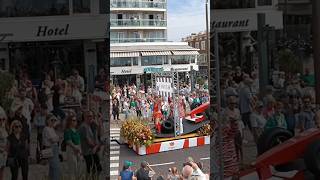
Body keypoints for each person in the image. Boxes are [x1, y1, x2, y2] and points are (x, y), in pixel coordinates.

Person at [79, 110, 102, 178]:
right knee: (90, 169)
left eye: (92, 116)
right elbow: (88, 141)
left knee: (97, 168)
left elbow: (98, 136)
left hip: (92, 151)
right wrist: (96, 146)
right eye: (89, 116)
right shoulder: (83, 127)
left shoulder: (90, 126)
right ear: (85, 117)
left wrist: (97, 126)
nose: (91, 118)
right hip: (87, 152)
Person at [42, 114, 61, 180]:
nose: (53, 121)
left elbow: (56, 139)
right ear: (47, 121)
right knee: (55, 167)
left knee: (53, 168)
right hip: (50, 148)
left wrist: (57, 138)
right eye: (51, 120)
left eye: (54, 120)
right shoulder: (46, 129)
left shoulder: (52, 128)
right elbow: (53, 140)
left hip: (54, 148)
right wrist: (57, 138)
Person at [0, 107, 8, 179]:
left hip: (4, 153)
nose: (2, 121)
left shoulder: (4, 128)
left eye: (3, 119)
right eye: (0, 119)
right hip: (0, 151)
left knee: (2, 169)